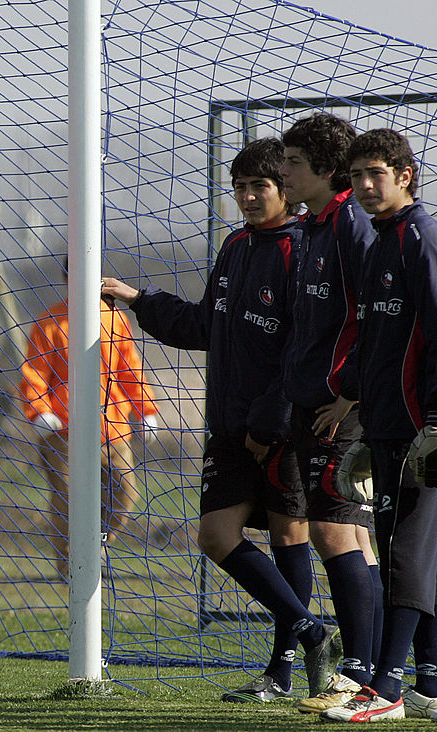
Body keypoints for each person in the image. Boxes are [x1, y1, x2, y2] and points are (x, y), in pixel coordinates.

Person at [102, 137, 342, 702]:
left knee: (289, 533)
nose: (248, 198)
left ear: (286, 188)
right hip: (230, 425)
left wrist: (271, 423)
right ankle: (310, 631)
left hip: (281, 427)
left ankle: (281, 673)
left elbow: (304, 349)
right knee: (216, 535)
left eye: (259, 186)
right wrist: (138, 299)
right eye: (238, 188)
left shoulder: (305, 249)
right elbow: (206, 327)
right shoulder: (236, 246)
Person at [321, 129, 437, 723]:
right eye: (357, 176)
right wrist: (365, 417)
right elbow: (376, 344)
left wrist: (436, 423)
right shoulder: (378, 244)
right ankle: (428, 682)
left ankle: (385, 687)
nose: (364, 186)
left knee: (405, 553)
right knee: (408, 548)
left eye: (376, 174)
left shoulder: (422, 236)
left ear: (405, 174)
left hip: (424, 429)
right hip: (389, 426)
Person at [274, 113, 383, 714]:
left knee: (337, 532)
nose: (282, 170)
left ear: (323, 168)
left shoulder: (351, 222)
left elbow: (378, 315)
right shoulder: (311, 226)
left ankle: (361, 675)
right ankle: (379, 671)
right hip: (311, 403)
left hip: (343, 407)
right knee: (351, 538)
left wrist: (353, 394)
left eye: (292, 161)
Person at [19, 260, 159, 578]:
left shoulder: (114, 318)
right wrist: (39, 411)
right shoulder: (49, 322)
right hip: (63, 431)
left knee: (125, 493)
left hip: (112, 428)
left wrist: (145, 410)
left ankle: (96, 545)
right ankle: (71, 564)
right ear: (66, 279)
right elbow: (35, 372)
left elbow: (129, 369)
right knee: (68, 498)